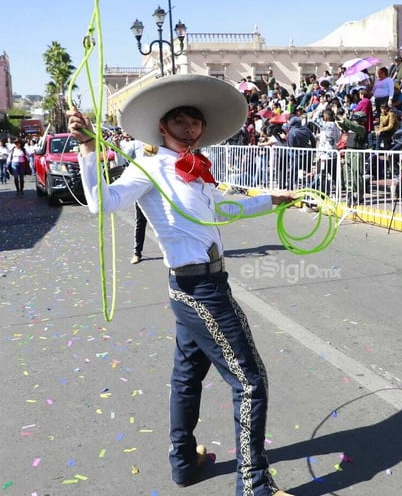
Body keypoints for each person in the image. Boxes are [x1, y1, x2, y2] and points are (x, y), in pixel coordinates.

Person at [67, 74, 295, 496]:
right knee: (250, 382)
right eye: (180, 120)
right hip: (199, 291)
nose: (190, 127)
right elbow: (102, 203)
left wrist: (272, 199)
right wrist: (86, 148)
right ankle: (255, 486)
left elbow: (222, 211)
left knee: (187, 377)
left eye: (196, 121)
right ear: (162, 126)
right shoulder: (150, 167)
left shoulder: (196, 170)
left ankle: (184, 462)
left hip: (202, 285)